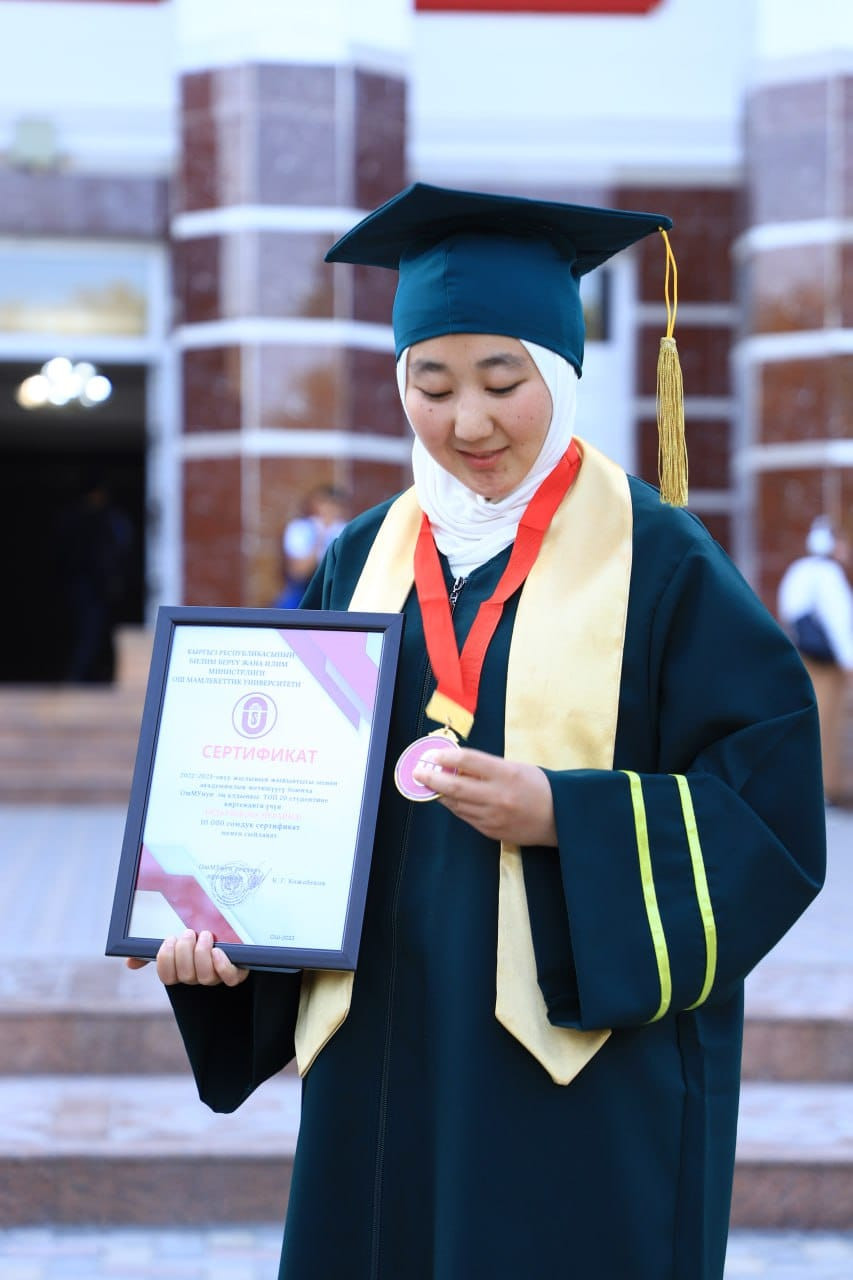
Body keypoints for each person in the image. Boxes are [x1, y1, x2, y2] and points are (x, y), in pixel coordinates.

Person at [129, 184, 826, 1280]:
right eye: (432, 384)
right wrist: (222, 930)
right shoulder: (361, 556)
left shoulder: (660, 560)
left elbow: (768, 806)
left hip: (579, 1076)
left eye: (503, 382)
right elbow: (284, 794)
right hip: (380, 1053)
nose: (467, 423)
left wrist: (565, 814)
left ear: (560, 373)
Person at [778, 516, 853, 805]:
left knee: (811, 721)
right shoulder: (828, 575)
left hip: (804, 658)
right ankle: (827, 787)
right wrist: (848, 662)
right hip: (827, 665)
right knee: (828, 724)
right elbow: (838, 623)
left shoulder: (799, 570)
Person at [57, 474, 133, 683]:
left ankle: (87, 674)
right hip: (87, 585)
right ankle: (78, 675)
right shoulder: (87, 519)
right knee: (89, 631)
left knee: (95, 631)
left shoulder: (104, 518)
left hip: (95, 585)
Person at [274, 484, 348, 608]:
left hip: (337, 591)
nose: (328, 509)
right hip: (302, 590)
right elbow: (298, 573)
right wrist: (320, 536)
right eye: (324, 503)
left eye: (333, 505)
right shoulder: (299, 528)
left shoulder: (346, 530)